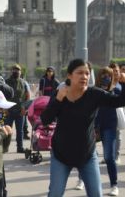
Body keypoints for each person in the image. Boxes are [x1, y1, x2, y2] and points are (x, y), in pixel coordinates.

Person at [41, 58, 125, 197]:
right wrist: (58, 99)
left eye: (87, 73)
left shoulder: (94, 94)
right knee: (55, 193)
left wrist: (123, 82)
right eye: (80, 73)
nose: (84, 76)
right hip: (61, 155)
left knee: (96, 194)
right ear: (69, 75)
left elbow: (119, 101)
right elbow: (45, 119)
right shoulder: (60, 93)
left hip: (87, 154)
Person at [93, 67, 120, 196]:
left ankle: (114, 185)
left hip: (109, 126)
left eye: (108, 75)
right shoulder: (94, 90)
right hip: (93, 127)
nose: (106, 77)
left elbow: (119, 98)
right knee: (86, 157)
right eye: (103, 75)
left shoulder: (116, 89)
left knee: (109, 157)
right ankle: (82, 181)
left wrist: (117, 85)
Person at [5, 64, 30, 153]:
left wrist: (25, 109)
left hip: (20, 111)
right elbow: (2, 96)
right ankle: (5, 147)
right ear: (11, 71)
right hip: (9, 111)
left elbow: (27, 96)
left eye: (18, 70)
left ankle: (20, 147)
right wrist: (5, 109)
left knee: (20, 131)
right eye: (14, 70)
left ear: (20, 71)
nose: (16, 71)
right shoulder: (6, 82)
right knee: (7, 130)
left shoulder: (23, 83)